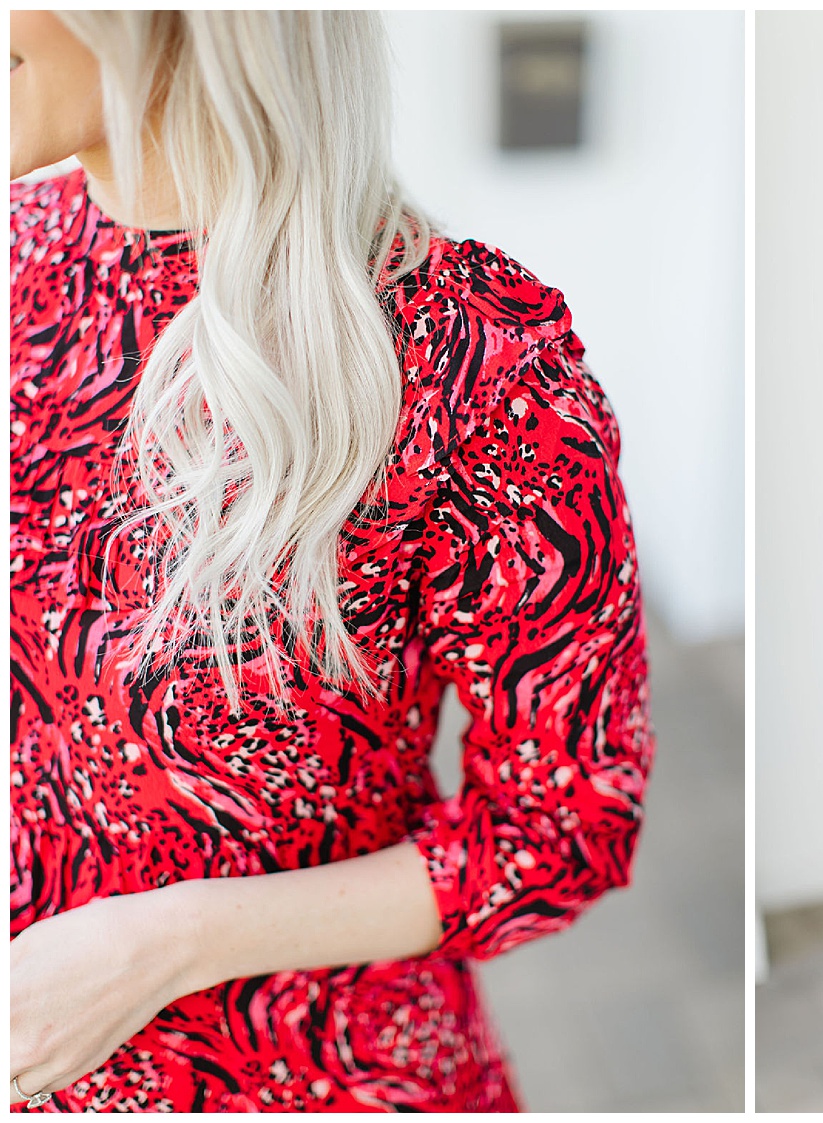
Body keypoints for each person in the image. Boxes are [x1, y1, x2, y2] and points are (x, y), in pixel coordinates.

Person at [10, 11, 651, 1112]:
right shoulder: (23, 258)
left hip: (314, 1070)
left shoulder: (471, 359)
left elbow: (565, 822)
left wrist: (164, 943)